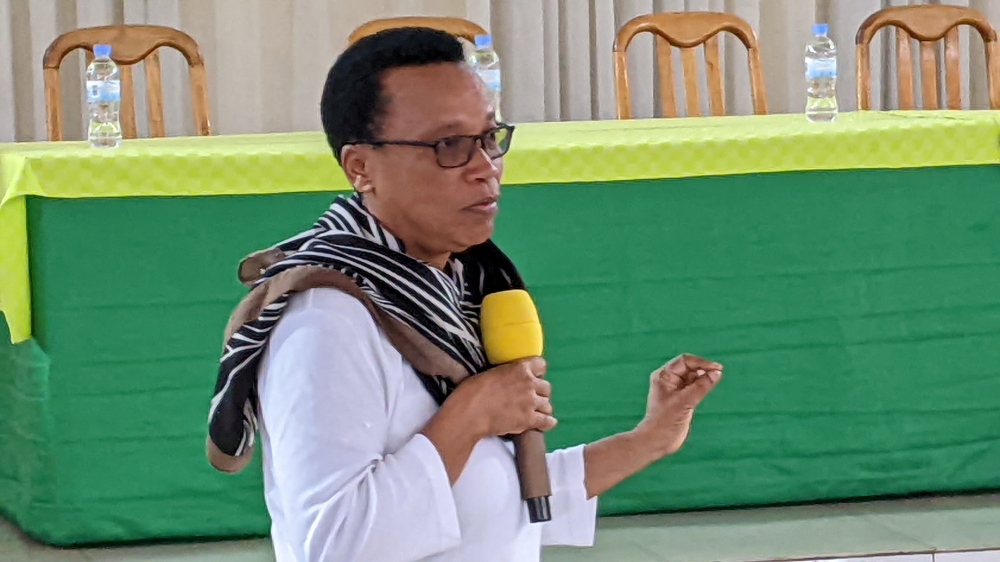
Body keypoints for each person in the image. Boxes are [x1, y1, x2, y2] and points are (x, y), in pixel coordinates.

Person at [206, 27, 723, 562]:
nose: (485, 168)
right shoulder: (327, 318)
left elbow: (496, 492)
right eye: (449, 145)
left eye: (489, 138)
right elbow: (336, 545)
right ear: (360, 167)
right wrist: (471, 413)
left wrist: (650, 438)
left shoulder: (455, 284)